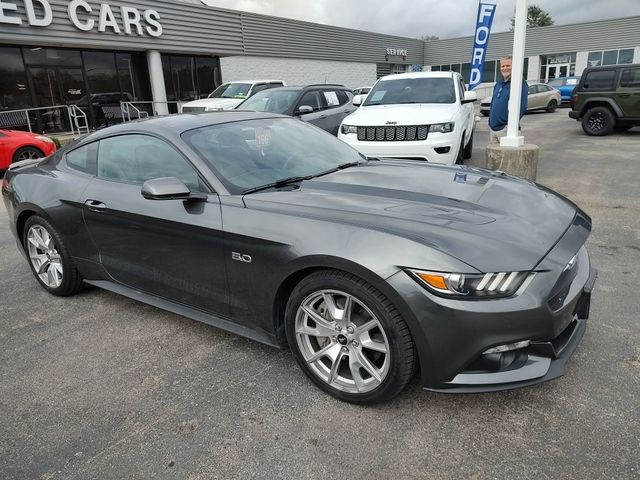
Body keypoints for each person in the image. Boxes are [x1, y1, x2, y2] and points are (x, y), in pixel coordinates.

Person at [489, 56, 528, 144]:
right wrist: (490, 121)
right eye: (503, 66)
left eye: (508, 66)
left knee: (508, 158)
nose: (505, 68)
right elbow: (493, 103)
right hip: (493, 129)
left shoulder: (519, 83)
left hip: (507, 131)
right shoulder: (499, 83)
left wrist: (508, 125)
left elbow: (522, 107)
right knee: (494, 157)